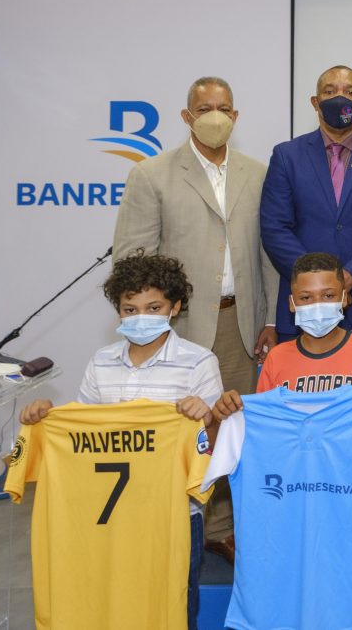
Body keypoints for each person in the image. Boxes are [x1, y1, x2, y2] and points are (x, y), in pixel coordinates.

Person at [113, 76, 278, 559]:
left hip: (238, 321)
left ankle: (220, 527)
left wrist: (270, 318)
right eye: (204, 109)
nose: (215, 116)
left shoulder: (258, 173)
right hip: (177, 326)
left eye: (224, 108)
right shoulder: (152, 174)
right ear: (187, 117)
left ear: (236, 116)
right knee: (178, 426)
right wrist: (153, 318)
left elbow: (268, 255)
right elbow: (132, 259)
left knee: (231, 424)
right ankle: (166, 517)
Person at [18, 251, 222, 630]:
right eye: (130, 309)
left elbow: (212, 447)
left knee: (175, 605)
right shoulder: (102, 361)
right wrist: (47, 418)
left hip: (173, 515)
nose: (141, 317)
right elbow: (85, 434)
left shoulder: (199, 361)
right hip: (109, 516)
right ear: (118, 312)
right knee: (112, 599)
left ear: (175, 306)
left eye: (153, 307)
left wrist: (207, 417)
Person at [214, 251, 352, 566]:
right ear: (291, 304)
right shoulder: (277, 358)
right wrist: (232, 411)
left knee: (351, 567)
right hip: (295, 488)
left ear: (345, 298)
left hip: (349, 487)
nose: (318, 305)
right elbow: (265, 431)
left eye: (328, 295)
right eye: (306, 297)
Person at [260, 65, 352, 370]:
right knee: (299, 395)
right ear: (315, 102)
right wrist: (316, 283)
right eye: (330, 92)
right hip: (303, 308)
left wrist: (348, 277)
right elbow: (275, 228)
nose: (341, 98)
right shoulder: (286, 155)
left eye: (350, 92)